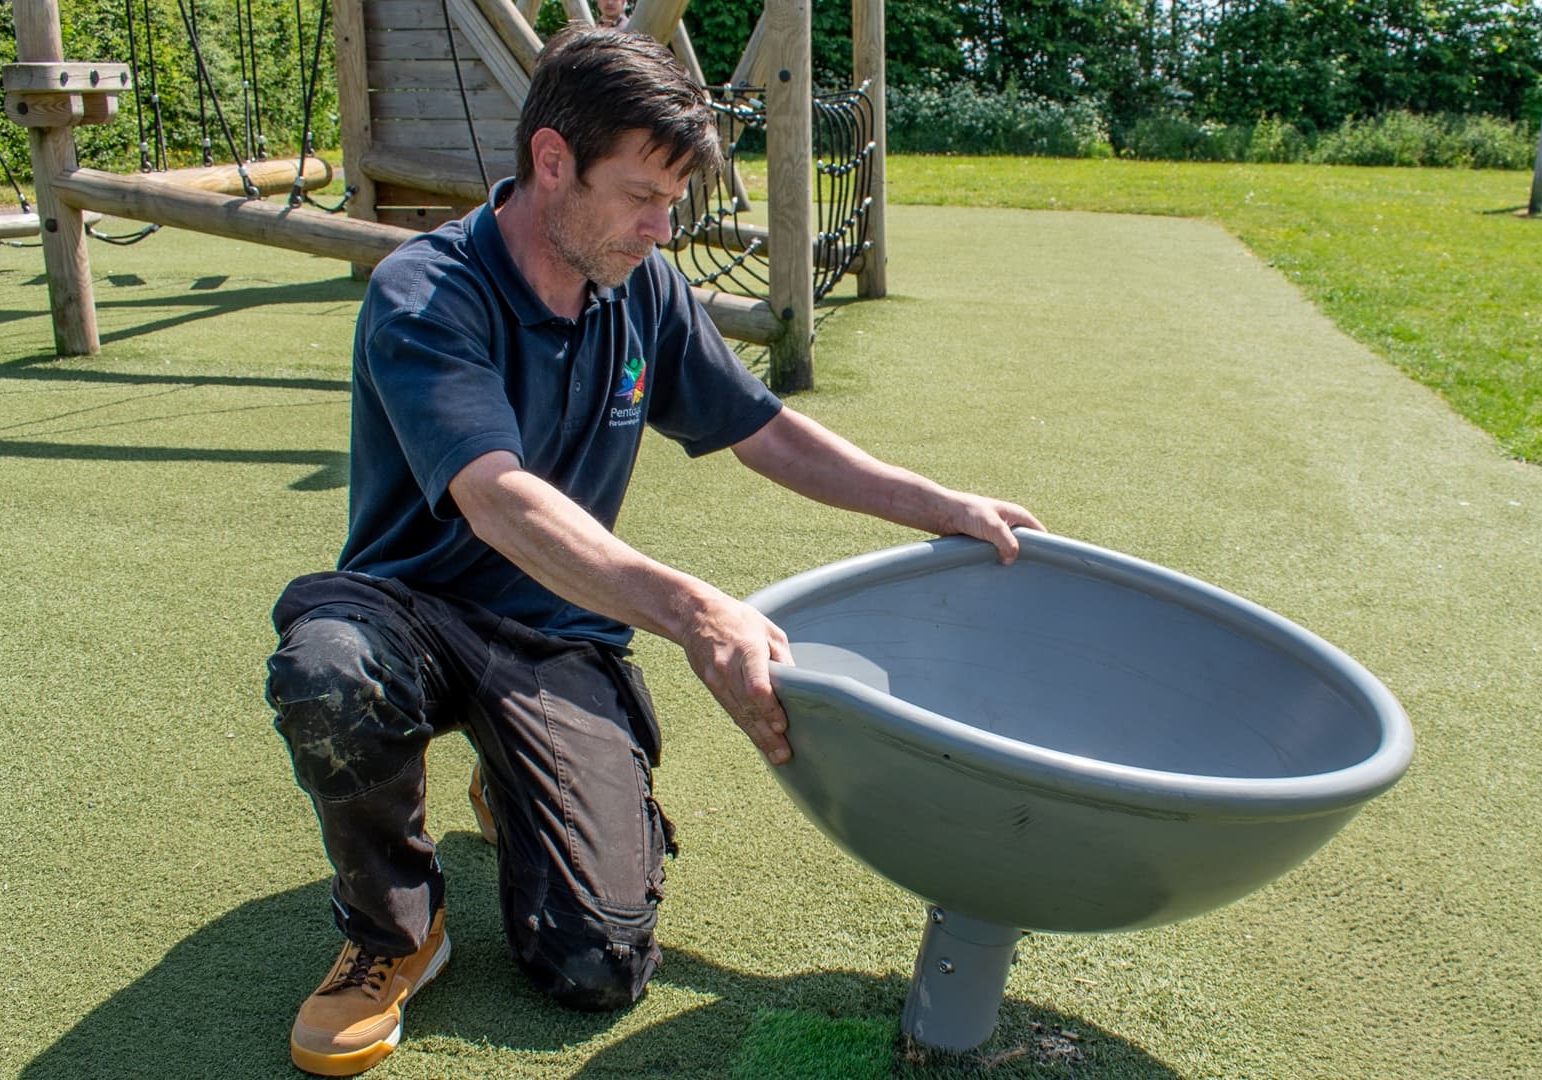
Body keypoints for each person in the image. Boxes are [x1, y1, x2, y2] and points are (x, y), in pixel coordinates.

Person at [265, 27, 1042, 1077]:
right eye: (641, 195)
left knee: (598, 966)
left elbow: (764, 430)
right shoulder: (428, 292)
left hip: (556, 636)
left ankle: (517, 785)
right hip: (411, 611)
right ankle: (391, 931)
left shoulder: (645, 288)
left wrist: (938, 504)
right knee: (328, 675)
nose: (661, 226)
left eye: (673, 200)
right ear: (551, 161)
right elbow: (498, 501)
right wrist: (691, 609)